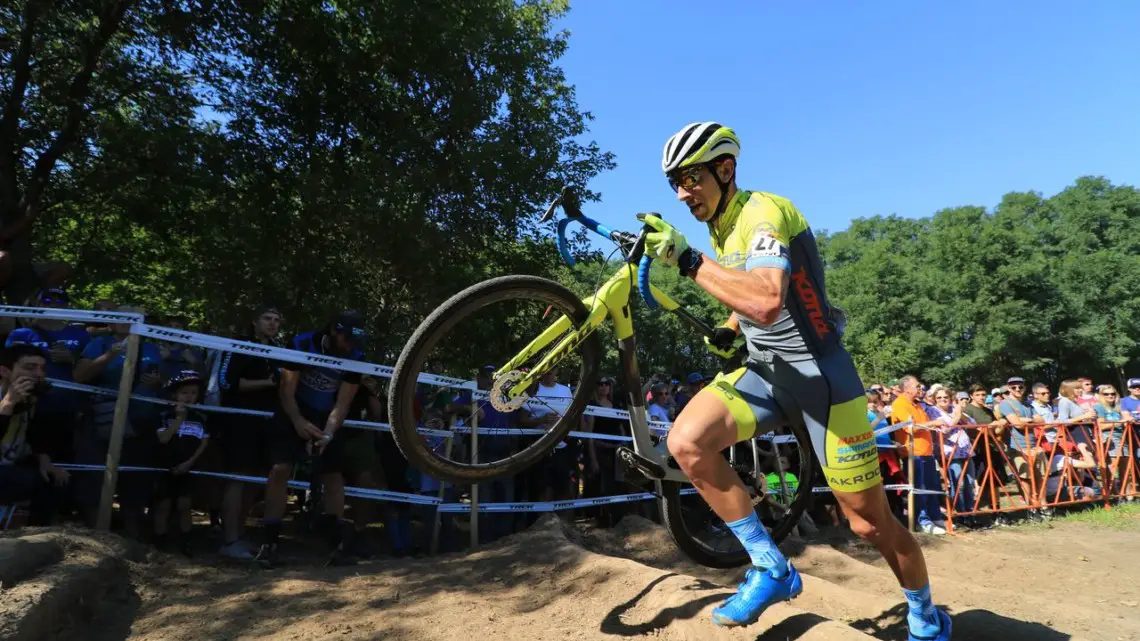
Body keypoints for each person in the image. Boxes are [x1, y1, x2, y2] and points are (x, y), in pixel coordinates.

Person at [642, 122, 950, 639]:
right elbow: (750, 298)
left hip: (821, 381)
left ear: (725, 168)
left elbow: (765, 299)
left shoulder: (763, 211)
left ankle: (923, 612)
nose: (681, 193)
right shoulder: (722, 222)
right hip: (767, 371)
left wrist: (689, 261)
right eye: (675, 181)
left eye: (691, 177)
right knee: (687, 441)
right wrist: (727, 325)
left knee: (868, 523)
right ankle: (772, 568)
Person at [254, 311, 366, 567]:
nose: (350, 345)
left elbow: (344, 401)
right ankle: (270, 542)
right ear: (333, 332)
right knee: (280, 469)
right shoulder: (302, 342)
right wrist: (297, 421)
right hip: (294, 408)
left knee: (334, 475)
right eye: (346, 338)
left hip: (327, 414)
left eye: (354, 341)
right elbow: (286, 390)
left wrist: (328, 432)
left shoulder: (357, 356)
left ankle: (338, 545)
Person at [215, 304, 282, 559]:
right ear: (255, 322)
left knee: (255, 479)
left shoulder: (278, 351)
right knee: (237, 478)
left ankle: (240, 536)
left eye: (276, 319)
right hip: (239, 421)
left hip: (266, 423)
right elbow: (227, 383)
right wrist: (268, 383)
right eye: (267, 318)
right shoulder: (239, 345)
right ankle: (229, 539)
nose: (272, 323)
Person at [0, 343, 70, 525]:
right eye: (29, 367)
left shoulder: (33, 402)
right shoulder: (6, 400)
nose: (38, 374)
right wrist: (7, 406)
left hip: (9, 465)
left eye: (42, 368)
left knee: (53, 480)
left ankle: (36, 536)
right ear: (5, 371)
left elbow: (37, 440)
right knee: (27, 481)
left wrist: (44, 461)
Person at [152, 370, 212, 555]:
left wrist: (190, 463)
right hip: (164, 467)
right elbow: (163, 439)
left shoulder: (201, 418)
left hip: (188, 468)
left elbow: (204, 443)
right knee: (163, 505)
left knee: (184, 504)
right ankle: (159, 542)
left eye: (193, 393)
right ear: (174, 394)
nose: (189, 397)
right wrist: (178, 419)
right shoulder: (164, 415)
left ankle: (187, 542)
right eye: (184, 392)